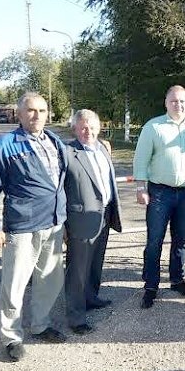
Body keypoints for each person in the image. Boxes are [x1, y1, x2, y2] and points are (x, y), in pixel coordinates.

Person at [0, 92, 68, 361]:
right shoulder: (5, 146)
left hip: (53, 223)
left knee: (49, 279)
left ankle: (41, 324)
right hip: (22, 226)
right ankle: (11, 336)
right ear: (19, 114)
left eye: (42, 111)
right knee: (15, 283)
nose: (36, 116)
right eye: (30, 111)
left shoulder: (55, 141)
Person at [133, 85, 185, 309]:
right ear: (166, 103)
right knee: (154, 241)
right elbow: (141, 159)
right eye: (174, 101)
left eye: (182, 101)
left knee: (181, 240)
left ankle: (177, 280)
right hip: (159, 193)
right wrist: (140, 187)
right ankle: (151, 286)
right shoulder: (153, 126)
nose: (178, 105)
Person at [64, 109, 122, 335]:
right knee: (77, 269)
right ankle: (76, 317)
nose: (88, 131)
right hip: (79, 219)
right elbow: (60, 190)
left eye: (92, 127)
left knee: (95, 262)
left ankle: (90, 298)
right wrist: (62, 225)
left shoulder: (103, 148)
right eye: (83, 127)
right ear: (75, 129)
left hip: (104, 214)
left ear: (99, 128)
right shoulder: (68, 152)